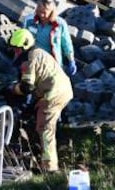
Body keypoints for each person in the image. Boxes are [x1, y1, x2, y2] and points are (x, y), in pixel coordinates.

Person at [6, 29, 72, 174]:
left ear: (23, 47)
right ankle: (41, 159)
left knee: (45, 129)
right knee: (41, 123)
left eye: (17, 50)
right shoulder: (39, 53)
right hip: (61, 90)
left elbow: (26, 87)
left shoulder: (29, 60)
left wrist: (12, 89)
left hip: (52, 94)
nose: (15, 53)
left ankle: (50, 169)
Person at [21, 0, 76, 76]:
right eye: (39, 12)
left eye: (45, 12)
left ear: (52, 11)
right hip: (32, 59)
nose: (42, 15)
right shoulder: (29, 20)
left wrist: (71, 61)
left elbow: (66, 43)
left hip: (52, 62)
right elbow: (22, 39)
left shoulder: (60, 24)